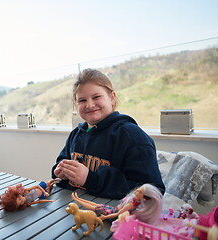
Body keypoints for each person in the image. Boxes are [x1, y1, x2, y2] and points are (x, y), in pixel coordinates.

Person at [52, 68, 165, 199]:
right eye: (82, 100)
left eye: (96, 97)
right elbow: (62, 161)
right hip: (71, 209)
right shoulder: (76, 134)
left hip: (114, 215)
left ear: (112, 98)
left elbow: (152, 191)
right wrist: (59, 171)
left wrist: (90, 179)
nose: (89, 105)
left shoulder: (132, 136)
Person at [72, 184, 163, 225]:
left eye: (139, 191)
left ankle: (77, 200)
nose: (136, 190)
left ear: (143, 198)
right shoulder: (135, 201)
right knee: (96, 204)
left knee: (94, 207)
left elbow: (117, 214)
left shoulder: (131, 205)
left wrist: (104, 217)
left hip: (111, 214)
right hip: (113, 209)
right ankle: (78, 198)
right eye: (139, 188)